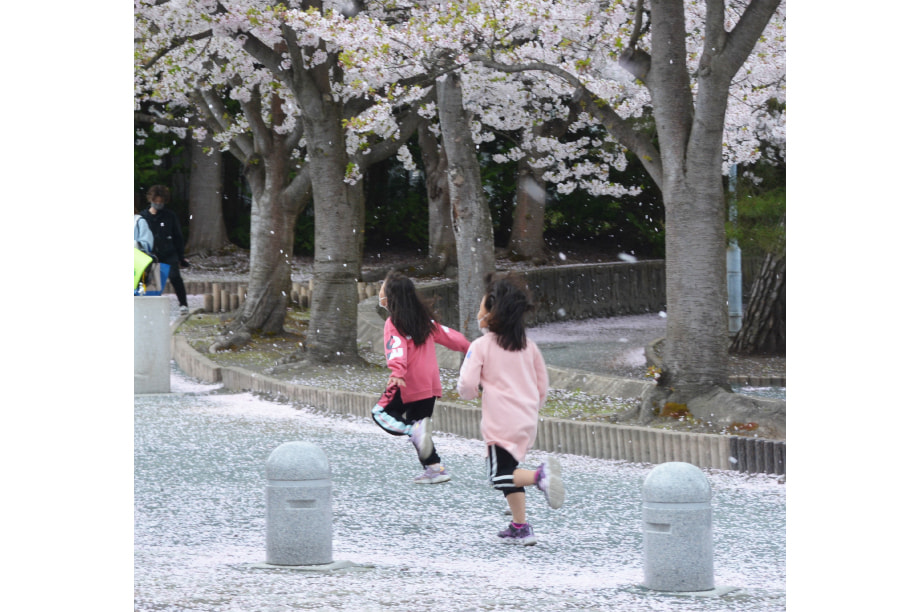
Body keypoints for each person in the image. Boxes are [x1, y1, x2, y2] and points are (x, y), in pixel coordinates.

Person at [457, 272, 564, 546]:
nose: (478, 314)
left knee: (497, 476)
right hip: (526, 420)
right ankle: (520, 526)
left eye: (481, 308)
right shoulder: (528, 347)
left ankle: (540, 476)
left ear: (492, 314)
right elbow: (542, 385)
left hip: (500, 422)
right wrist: (530, 408)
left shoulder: (481, 346)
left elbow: (467, 384)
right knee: (510, 474)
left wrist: (469, 394)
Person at [372, 271, 471, 484]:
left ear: (390, 297)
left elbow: (396, 347)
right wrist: (470, 348)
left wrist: (397, 371)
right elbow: (451, 336)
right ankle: (435, 468)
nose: (379, 293)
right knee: (421, 429)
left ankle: (411, 430)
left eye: (382, 289)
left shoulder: (394, 322)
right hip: (429, 384)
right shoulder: (424, 321)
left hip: (406, 380)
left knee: (380, 413)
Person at [141, 185, 191, 314]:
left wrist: (180, 256)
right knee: (151, 280)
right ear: (151, 200)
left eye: (161, 202)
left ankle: (183, 304)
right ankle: (150, 306)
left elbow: (177, 236)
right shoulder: (143, 217)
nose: (158, 204)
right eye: (156, 201)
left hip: (169, 252)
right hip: (150, 253)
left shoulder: (170, 216)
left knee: (175, 277)